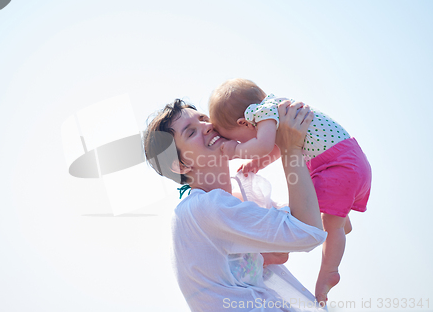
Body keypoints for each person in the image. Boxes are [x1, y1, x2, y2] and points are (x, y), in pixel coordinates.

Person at [143, 98, 327, 311]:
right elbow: (307, 232)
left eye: (203, 118)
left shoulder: (228, 201)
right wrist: (290, 148)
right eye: (191, 132)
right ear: (181, 165)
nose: (207, 126)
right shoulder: (204, 208)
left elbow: (280, 251)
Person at [208, 78, 372, 303]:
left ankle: (329, 271)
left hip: (338, 166)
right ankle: (341, 220)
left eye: (237, 138)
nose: (244, 144)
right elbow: (279, 147)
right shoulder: (273, 109)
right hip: (346, 161)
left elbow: (264, 145)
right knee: (322, 211)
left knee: (326, 225)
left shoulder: (260, 113)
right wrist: (259, 164)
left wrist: (235, 150)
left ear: (244, 122)